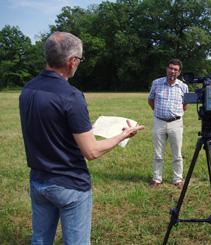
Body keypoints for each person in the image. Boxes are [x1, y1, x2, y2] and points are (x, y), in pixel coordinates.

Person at [19, 31, 144, 245]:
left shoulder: (28, 89)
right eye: (80, 60)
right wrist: (123, 134)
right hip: (70, 185)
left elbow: (47, 127)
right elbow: (91, 151)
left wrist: (84, 129)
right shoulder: (71, 95)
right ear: (72, 61)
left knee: (40, 240)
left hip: (38, 180)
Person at [148, 59, 189, 189]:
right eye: (171, 68)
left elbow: (185, 105)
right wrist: (160, 112)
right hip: (159, 122)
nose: (172, 71)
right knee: (158, 153)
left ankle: (177, 179)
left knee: (177, 154)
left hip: (176, 123)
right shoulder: (157, 83)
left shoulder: (183, 86)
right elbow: (151, 100)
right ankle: (157, 179)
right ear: (167, 69)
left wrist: (174, 114)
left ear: (179, 72)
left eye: (175, 69)